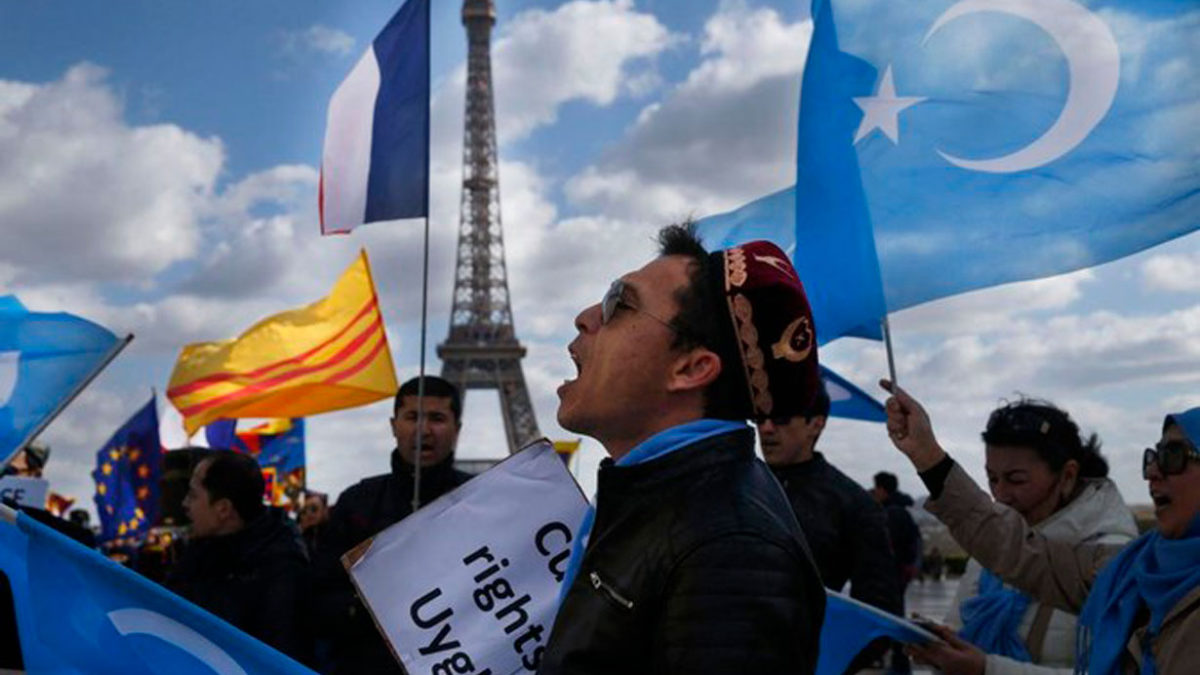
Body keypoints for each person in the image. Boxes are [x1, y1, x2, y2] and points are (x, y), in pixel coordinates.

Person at [540, 226, 826, 674]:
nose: (586, 316)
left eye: (619, 302)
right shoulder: (670, 504)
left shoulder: (731, 553)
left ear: (691, 368)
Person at [883, 382, 1200, 674]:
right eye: (1153, 457)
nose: (1152, 473)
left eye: (1173, 456)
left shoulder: (1115, 553)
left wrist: (987, 669)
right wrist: (928, 456)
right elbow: (1020, 553)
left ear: (1066, 476)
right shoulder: (1134, 569)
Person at [941, 399, 1137, 674]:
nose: (1001, 495)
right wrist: (940, 648)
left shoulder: (1109, 559)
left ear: (1067, 476)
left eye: (1016, 480)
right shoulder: (995, 543)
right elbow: (958, 627)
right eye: (992, 479)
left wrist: (988, 669)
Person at [312, 375, 472, 674]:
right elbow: (318, 600)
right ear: (393, 425)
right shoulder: (355, 503)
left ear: (457, 429)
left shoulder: (481, 501)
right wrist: (365, 610)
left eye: (437, 418)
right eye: (412, 417)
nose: (423, 430)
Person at [758, 383, 903, 668]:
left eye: (782, 418)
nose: (766, 428)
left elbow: (878, 611)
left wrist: (828, 664)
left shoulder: (853, 504)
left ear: (816, 424)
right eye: (758, 418)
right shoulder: (728, 487)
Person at [167, 451, 309, 661]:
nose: (185, 504)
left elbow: (278, 659)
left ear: (223, 509)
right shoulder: (199, 552)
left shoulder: (282, 570)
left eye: (194, 495)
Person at [299, 491, 330, 558]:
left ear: (325, 510)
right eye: (304, 510)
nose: (309, 514)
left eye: (314, 509)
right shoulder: (299, 534)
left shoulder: (335, 533)